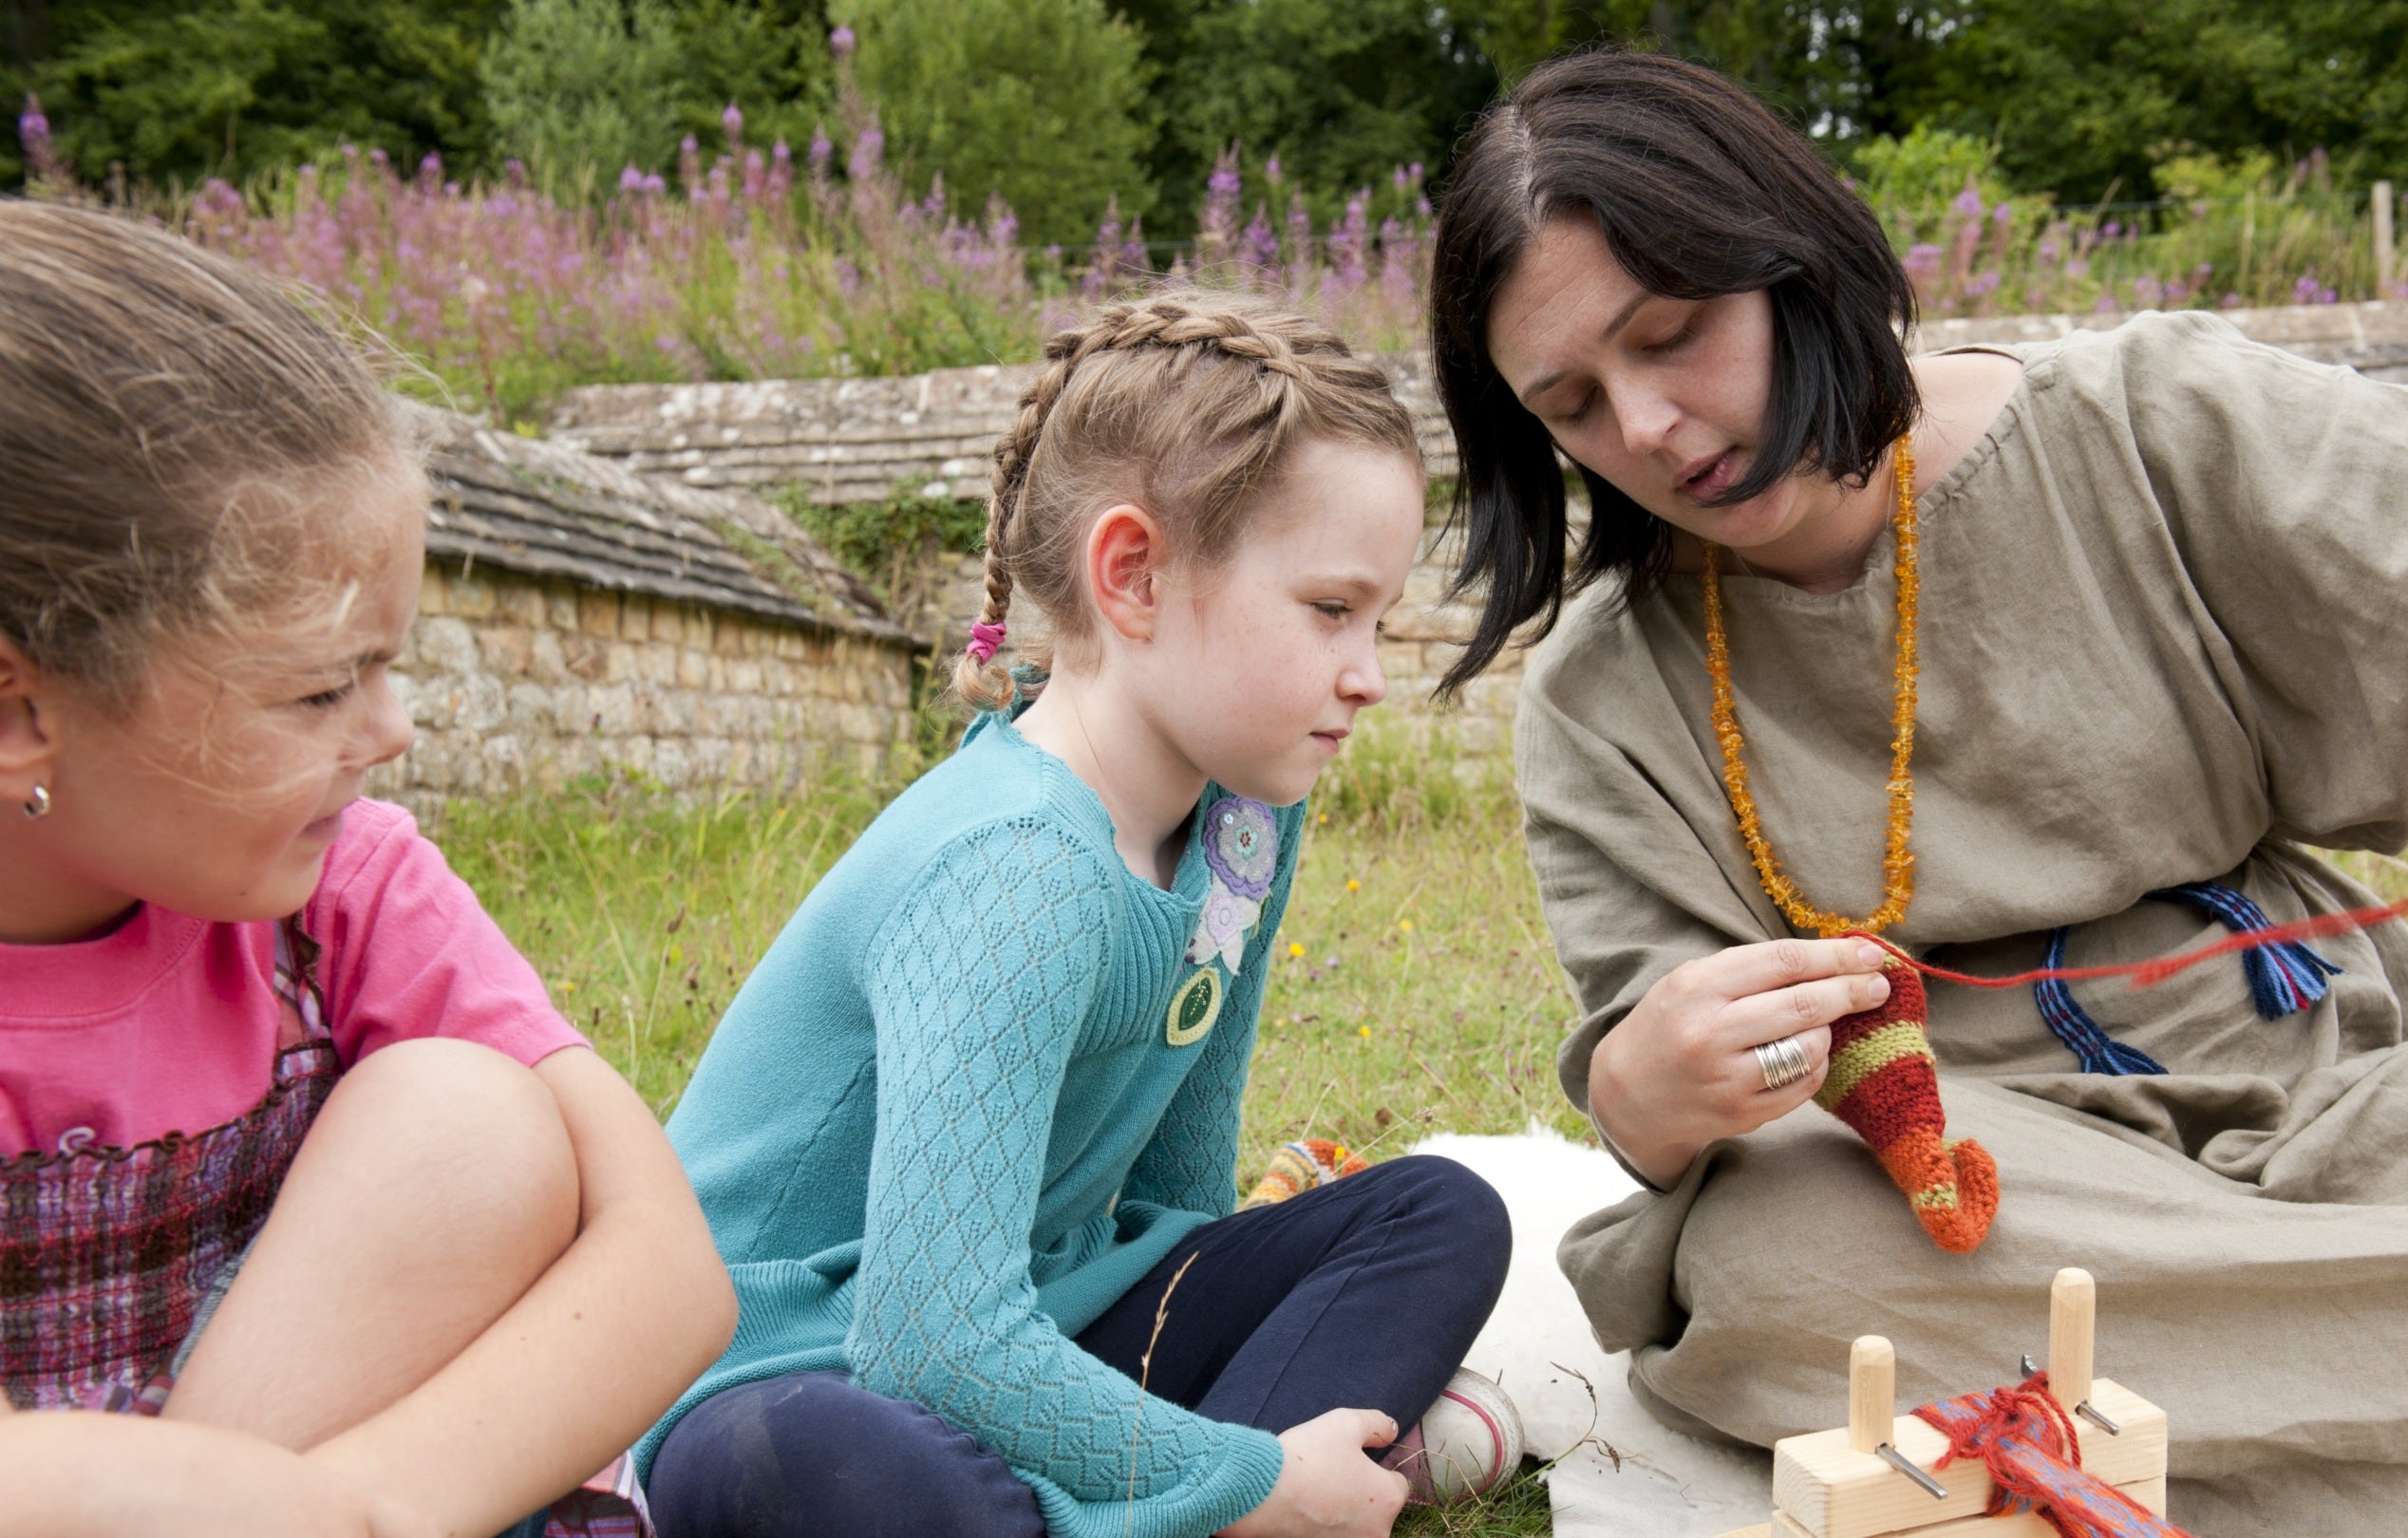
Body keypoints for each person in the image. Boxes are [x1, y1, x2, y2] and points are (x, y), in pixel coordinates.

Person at [1423, 49, 2408, 1535]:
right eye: (1575, 406)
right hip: (1974, 1189)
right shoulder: (1605, 692)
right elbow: (1663, 1064)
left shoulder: (2141, 417)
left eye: (1673, 335)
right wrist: (1645, 1098)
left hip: (2339, 1087)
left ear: (1793, 261)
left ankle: (2251, 1415)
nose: (1647, 429)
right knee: (1775, 1266)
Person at [637, 291, 1516, 1538]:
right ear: (1134, 574)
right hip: (784, 1376)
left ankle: (1155, 1502)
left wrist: (1207, 1411)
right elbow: (926, 1341)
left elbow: (1176, 1199)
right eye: (1331, 610)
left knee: (1437, 1213)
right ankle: (1248, 1502)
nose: (1369, 673)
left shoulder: (1245, 820)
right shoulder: (1014, 864)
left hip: (1043, 1317)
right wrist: (1250, 1474)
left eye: (1377, 621)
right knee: (851, 1469)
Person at [0, 203, 737, 1536]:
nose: (391, 729)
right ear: (17, 711)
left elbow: (670, 1271)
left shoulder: (348, 894)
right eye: (325, 687)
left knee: (473, 1121)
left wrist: (345, 1513)